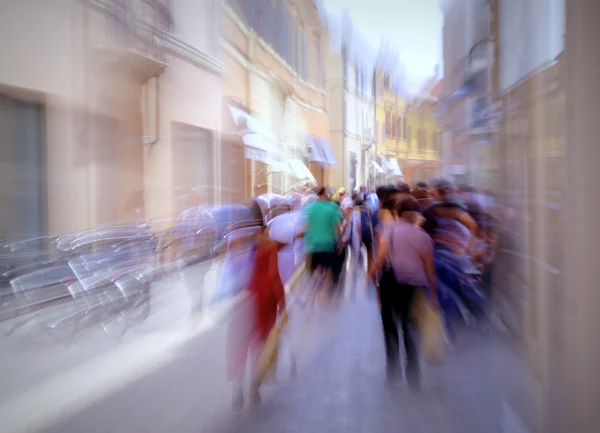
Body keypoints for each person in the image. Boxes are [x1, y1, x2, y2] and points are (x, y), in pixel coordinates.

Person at [367, 195, 438, 389]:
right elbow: (430, 270)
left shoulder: (388, 232)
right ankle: (413, 374)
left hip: (390, 283)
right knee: (410, 328)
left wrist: (369, 276)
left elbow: (381, 259)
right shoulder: (423, 236)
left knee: (390, 328)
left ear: (397, 213)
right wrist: (433, 296)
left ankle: (393, 373)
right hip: (413, 287)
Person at [226, 225, 287, 409]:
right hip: (264, 298)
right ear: (263, 227)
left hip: (242, 298)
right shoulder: (268, 245)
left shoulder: (235, 243)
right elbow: (273, 275)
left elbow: (230, 274)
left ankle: (238, 385)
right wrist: (283, 303)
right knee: (261, 343)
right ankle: (254, 387)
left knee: (240, 343)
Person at [303, 187, 344, 303]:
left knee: (316, 274)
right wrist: (340, 243)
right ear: (325, 194)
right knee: (328, 274)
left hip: (313, 246)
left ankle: (310, 300)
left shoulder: (310, 208)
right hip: (328, 246)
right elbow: (338, 228)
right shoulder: (332, 209)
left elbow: (307, 227)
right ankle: (322, 303)